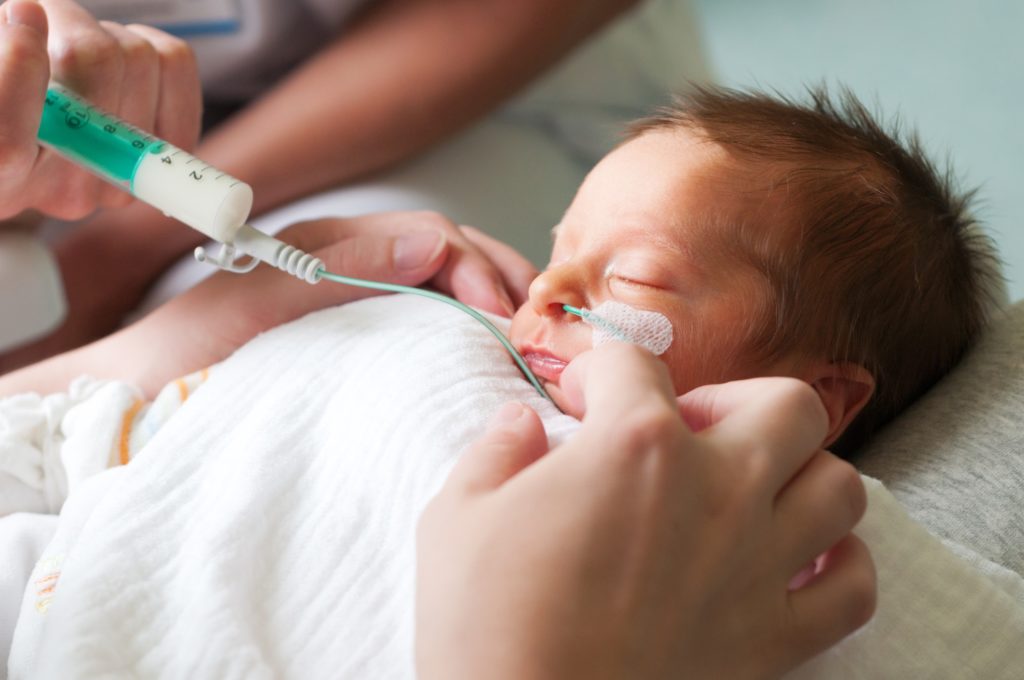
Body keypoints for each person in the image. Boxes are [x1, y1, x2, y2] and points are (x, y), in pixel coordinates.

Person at [0, 0, 708, 367]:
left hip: (474, 87)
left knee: (311, 350)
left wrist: (112, 258)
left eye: (638, 280)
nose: (547, 291)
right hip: (82, 118)